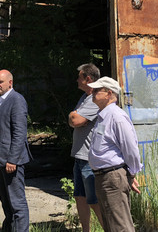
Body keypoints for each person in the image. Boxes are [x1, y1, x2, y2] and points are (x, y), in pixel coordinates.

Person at [88, 76, 142, 232]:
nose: (93, 92)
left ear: (108, 93)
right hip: (104, 177)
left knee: (120, 226)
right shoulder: (104, 115)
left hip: (112, 177)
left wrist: (131, 173)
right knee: (111, 226)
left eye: (97, 90)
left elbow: (131, 149)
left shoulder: (116, 116)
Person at [0, 69, 32, 232]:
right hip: (1, 160)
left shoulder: (16, 100)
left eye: (0, 82)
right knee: (6, 202)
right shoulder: (2, 101)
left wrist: (13, 159)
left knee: (17, 203)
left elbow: (20, 132)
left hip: (11, 161)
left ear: (10, 82)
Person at [68, 63, 104, 231]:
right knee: (80, 197)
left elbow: (75, 120)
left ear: (88, 79)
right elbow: (74, 119)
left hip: (89, 159)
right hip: (79, 157)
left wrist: (73, 116)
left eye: (79, 77)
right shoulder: (84, 98)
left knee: (94, 200)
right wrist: (73, 117)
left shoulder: (95, 99)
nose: (77, 80)